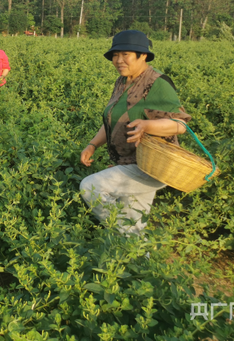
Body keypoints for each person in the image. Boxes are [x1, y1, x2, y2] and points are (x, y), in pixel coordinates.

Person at [79, 30, 191, 236]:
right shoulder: (122, 82)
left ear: (143, 56)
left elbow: (180, 124)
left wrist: (148, 126)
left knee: (90, 187)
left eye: (125, 55)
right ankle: (137, 253)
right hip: (129, 162)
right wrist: (93, 144)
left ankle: (127, 238)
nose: (118, 60)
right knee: (135, 224)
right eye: (115, 55)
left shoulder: (158, 83)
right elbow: (114, 119)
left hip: (151, 166)